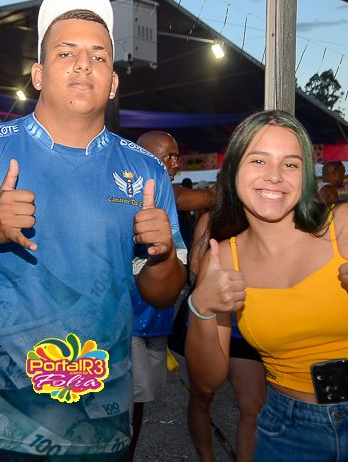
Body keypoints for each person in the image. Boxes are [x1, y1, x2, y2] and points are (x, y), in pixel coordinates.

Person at [0, 0, 187, 461]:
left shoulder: (145, 171)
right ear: (38, 74)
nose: (83, 64)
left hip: (98, 432)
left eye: (99, 56)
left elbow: (162, 293)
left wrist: (161, 256)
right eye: (66, 52)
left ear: (113, 82)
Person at [186, 110, 348, 461]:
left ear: (305, 176)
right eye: (258, 160)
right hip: (289, 430)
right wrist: (201, 308)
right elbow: (207, 381)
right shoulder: (223, 257)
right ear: (233, 170)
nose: (274, 175)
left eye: (290, 164)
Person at [130, 131, 212, 458]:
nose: (176, 163)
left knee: (138, 405)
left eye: (177, 156)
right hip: (129, 321)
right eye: (169, 157)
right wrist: (219, 195)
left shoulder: (166, 192)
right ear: (145, 158)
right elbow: (187, 197)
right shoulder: (137, 191)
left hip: (155, 318)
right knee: (123, 406)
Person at [185, 208, 265, 462]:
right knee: (202, 397)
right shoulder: (211, 218)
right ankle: (206, 457)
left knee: (252, 405)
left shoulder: (270, 216)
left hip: (245, 321)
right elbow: (194, 267)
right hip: (211, 313)